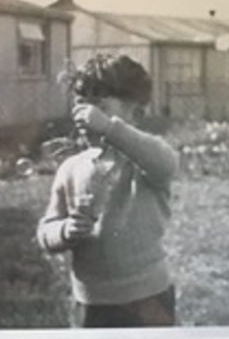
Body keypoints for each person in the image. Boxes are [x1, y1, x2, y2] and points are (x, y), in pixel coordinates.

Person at [37, 54, 179, 328]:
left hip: (147, 297)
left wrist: (108, 128)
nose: (86, 115)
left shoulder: (143, 160)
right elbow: (46, 229)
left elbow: (166, 163)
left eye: (99, 107)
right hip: (91, 301)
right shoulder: (71, 167)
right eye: (81, 105)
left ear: (135, 114)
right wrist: (65, 230)